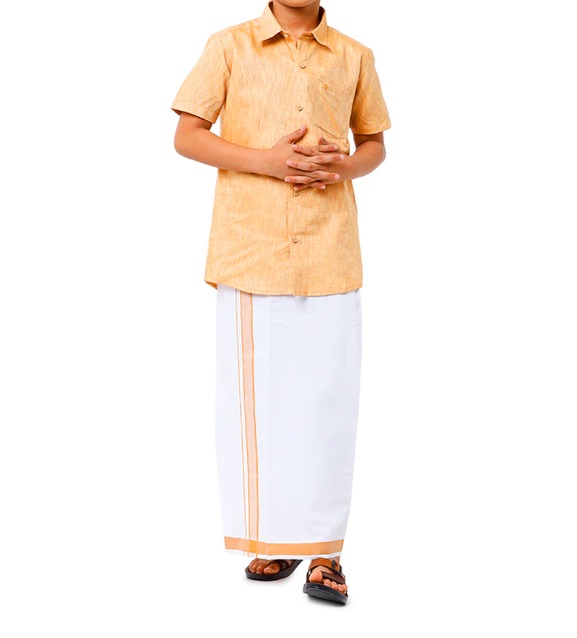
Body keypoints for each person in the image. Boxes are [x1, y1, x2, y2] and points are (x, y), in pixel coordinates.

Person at [171, 0, 391, 605]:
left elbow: (373, 143)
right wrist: (266, 162)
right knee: (259, 407)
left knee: (328, 404)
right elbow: (187, 135)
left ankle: (325, 551)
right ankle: (273, 538)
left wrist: (342, 170)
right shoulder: (228, 45)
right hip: (252, 246)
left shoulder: (355, 55)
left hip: (330, 249)